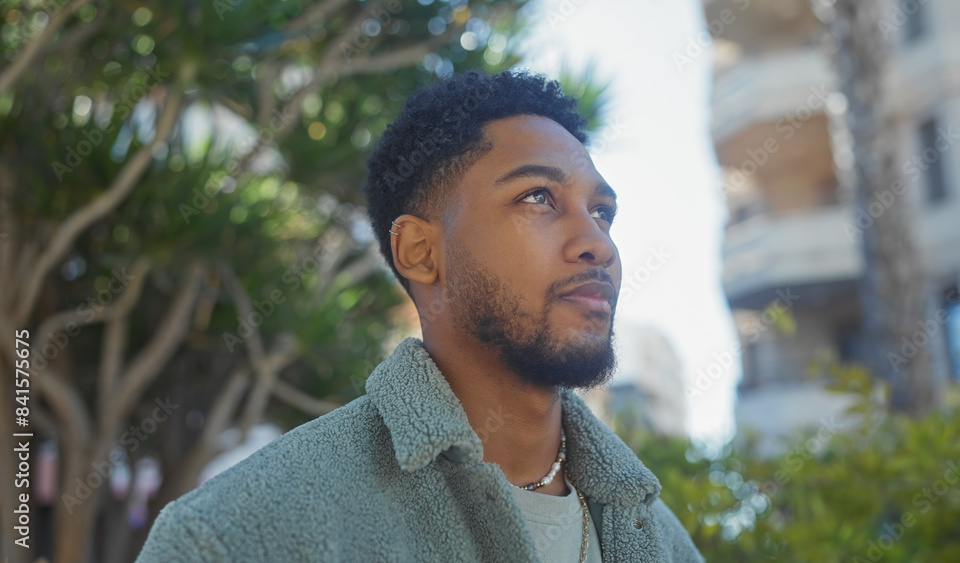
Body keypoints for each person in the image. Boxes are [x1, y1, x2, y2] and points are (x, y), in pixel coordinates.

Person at [137, 70, 704, 562]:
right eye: (538, 198)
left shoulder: (656, 538)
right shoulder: (238, 538)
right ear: (420, 253)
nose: (597, 245)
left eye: (602, 212)